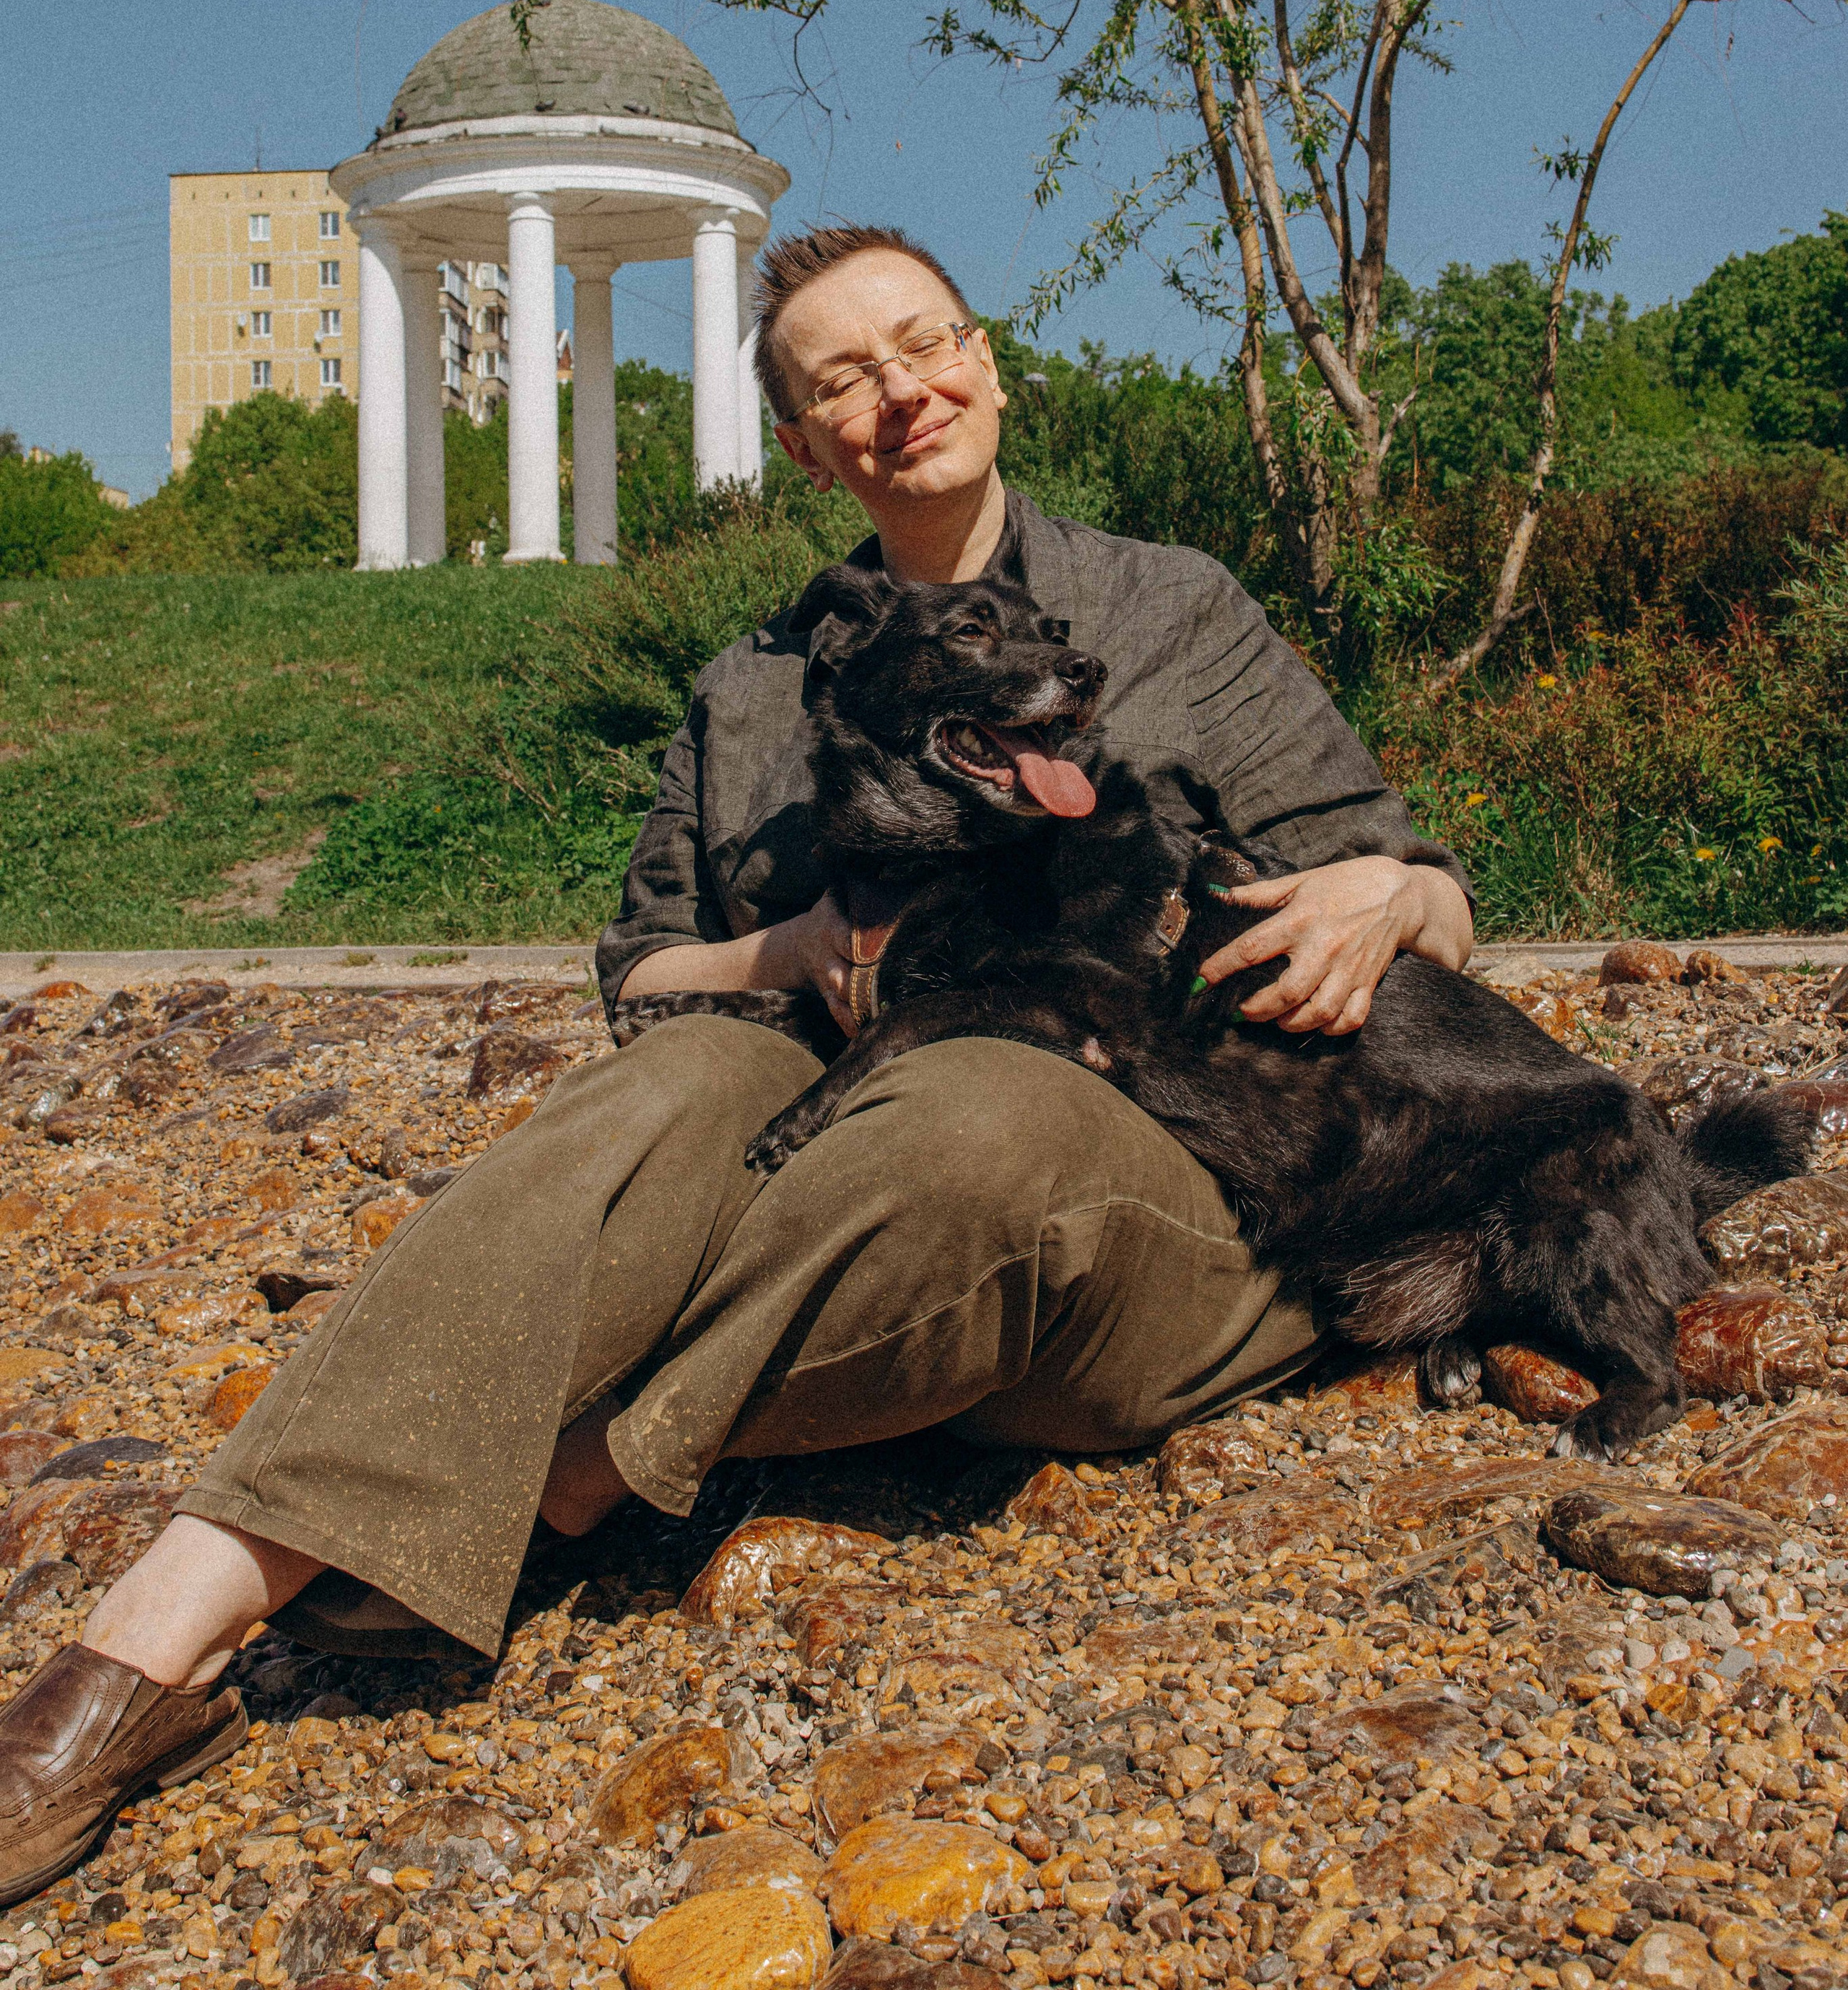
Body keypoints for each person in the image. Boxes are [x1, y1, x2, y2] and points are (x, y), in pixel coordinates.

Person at [0, 222, 1473, 1900]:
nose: (901, 391)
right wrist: (794, 954)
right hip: (823, 1143)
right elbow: (644, 978)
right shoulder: (756, 686)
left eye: (926, 342)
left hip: (1149, 1201)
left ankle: (567, 1468)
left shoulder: (1165, 604)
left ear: (985, 357)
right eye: (845, 375)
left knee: (972, 1102)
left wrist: (1397, 886)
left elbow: (1416, 882)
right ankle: (138, 1650)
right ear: (801, 439)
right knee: (664, 1091)